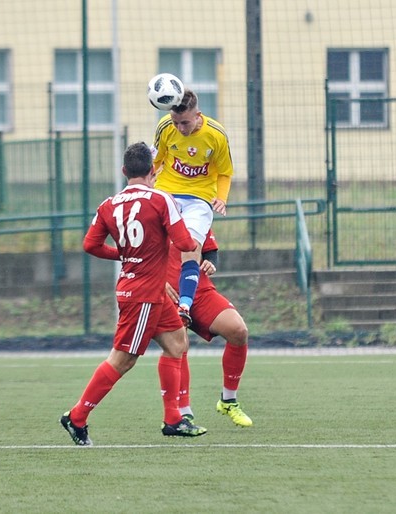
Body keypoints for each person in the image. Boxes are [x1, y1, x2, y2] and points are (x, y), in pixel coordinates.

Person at [60, 141, 207, 446]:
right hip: (142, 295)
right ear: (153, 171)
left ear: (125, 171)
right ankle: (76, 417)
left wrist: (124, 255)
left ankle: (173, 420)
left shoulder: (108, 204)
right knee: (123, 360)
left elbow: (90, 245)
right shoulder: (162, 200)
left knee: (177, 343)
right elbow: (183, 243)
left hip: (147, 291)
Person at [152, 89, 235, 327]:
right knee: (150, 240)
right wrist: (143, 178)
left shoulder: (216, 135)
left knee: (190, 246)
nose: (180, 128)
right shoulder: (165, 127)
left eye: (185, 123)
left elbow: (225, 172)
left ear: (198, 114)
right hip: (167, 191)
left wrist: (221, 198)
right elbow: (157, 159)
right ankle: (151, 287)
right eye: (176, 122)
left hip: (199, 198)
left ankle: (185, 305)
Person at [164, 230, 253, 428]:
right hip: (169, 292)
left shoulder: (198, 207)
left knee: (238, 331)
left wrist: (211, 262)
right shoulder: (156, 209)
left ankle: (228, 401)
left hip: (201, 291)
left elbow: (210, 249)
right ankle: (183, 411)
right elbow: (137, 256)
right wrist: (157, 282)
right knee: (179, 345)